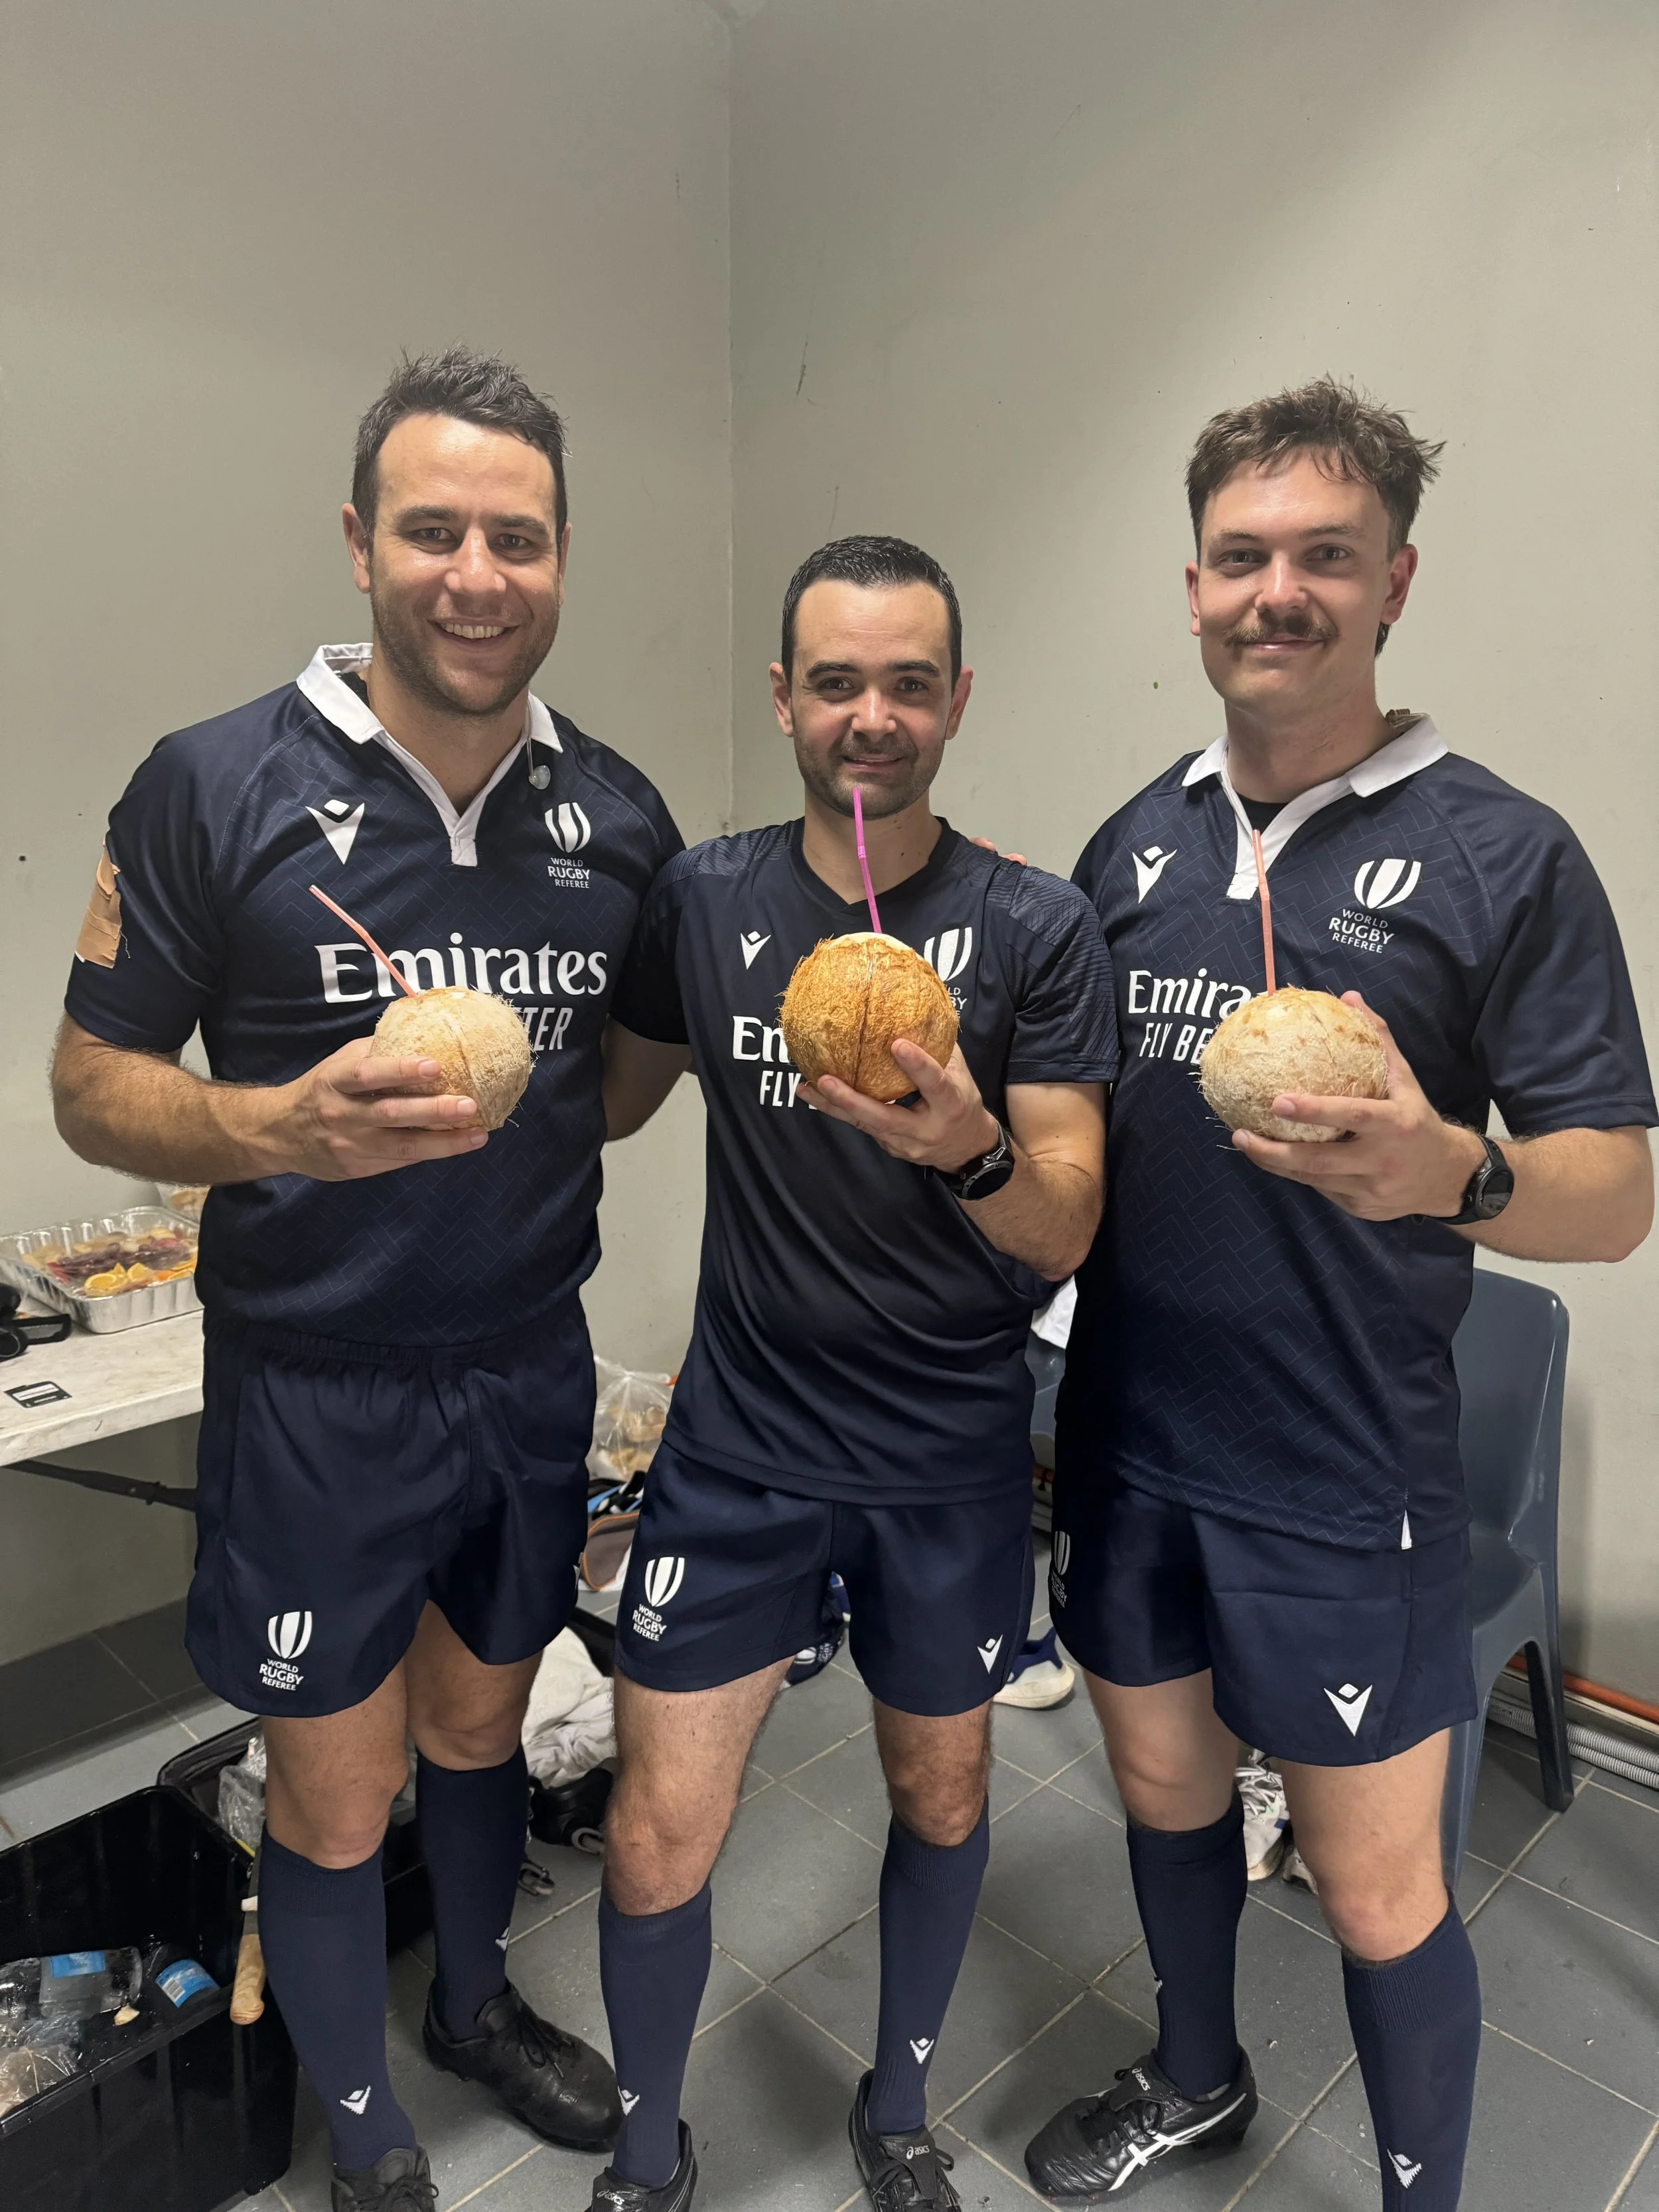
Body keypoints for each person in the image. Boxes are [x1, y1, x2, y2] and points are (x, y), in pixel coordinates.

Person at [51, 348, 685, 2212]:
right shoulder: (207, 783)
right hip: (314, 1388)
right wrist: (282, 1129)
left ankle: (474, 2002)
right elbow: (92, 1091)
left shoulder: (618, 816)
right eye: (433, 530)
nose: (474, 572)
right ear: (357, 542)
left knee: (482, 1726)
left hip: (520, 1366)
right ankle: (362, 2131)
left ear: (561, 557)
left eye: (517, 535)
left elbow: (625, 1080)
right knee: (334, 1792)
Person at [1024, 378, 1655, 2211]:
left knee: (1378, 1892)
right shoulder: (1131, 844)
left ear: (1393, 581)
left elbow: (1612, 1194)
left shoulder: (1499, 852)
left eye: (1321, 555)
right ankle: (1199, 2076)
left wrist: (1444, 1169)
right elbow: (1070, 1139)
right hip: (1131, 1445)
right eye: (1240, 555)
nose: (1273, 590)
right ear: (1194, 584)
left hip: (1338, 1472)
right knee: (1159, 1795)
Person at [591, 536, 1118, 2212]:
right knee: (661, 1824)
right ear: (783, 699)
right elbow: (600, 1103)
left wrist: (967, 1147)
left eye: (906, 683)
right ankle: (645, 2142)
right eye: (835, 681)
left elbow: (1062, 1228)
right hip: (735, 1450)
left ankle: (896, 2107)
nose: (869, 715)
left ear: (955, 699)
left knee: (941, 1784)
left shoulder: (1037, 929)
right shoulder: (703, 897)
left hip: (945, 1462)